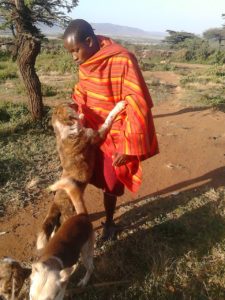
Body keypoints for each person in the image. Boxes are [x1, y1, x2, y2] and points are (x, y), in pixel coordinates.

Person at [63, 19, 159, 241]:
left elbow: (137, 102)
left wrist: (130, 145)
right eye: (70, 52)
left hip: (116, 131)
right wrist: (73, 108)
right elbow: (81, 93)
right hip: (90, 130)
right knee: (83, 173)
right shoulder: (85, 63)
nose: (74, 57)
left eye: (76, 50)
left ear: (89, 41)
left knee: (111, 180)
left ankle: (109, 221)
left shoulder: (122, 59)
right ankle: (76, 218)